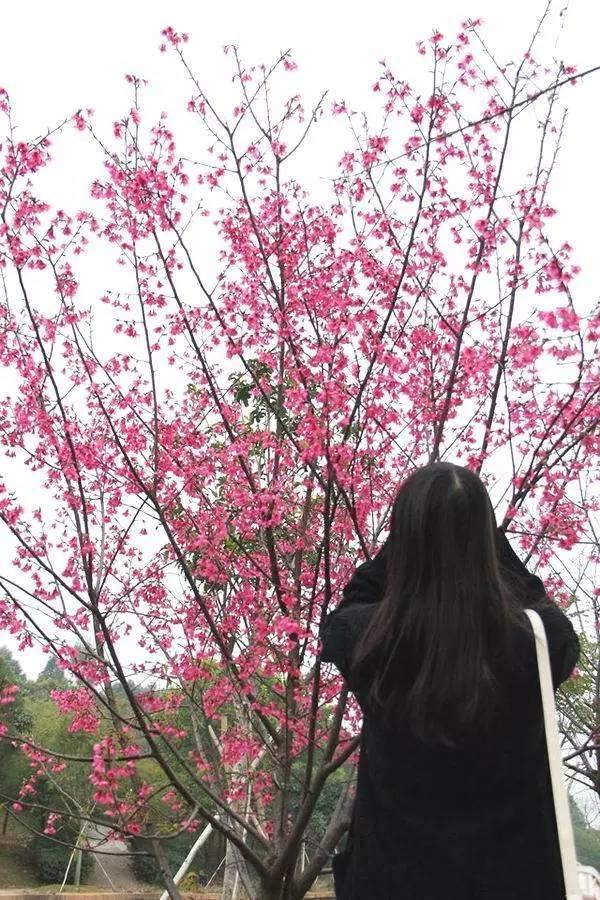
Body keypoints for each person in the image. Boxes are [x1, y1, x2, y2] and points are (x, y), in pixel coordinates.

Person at [320, 462, 581, 900]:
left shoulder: (366, 639)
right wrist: (485, 543)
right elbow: (535, 596)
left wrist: (406, 544)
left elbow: (354, 600)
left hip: (392, 883)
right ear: (488, 541)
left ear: (402, 540)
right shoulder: (540, 641)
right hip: (513, 883)